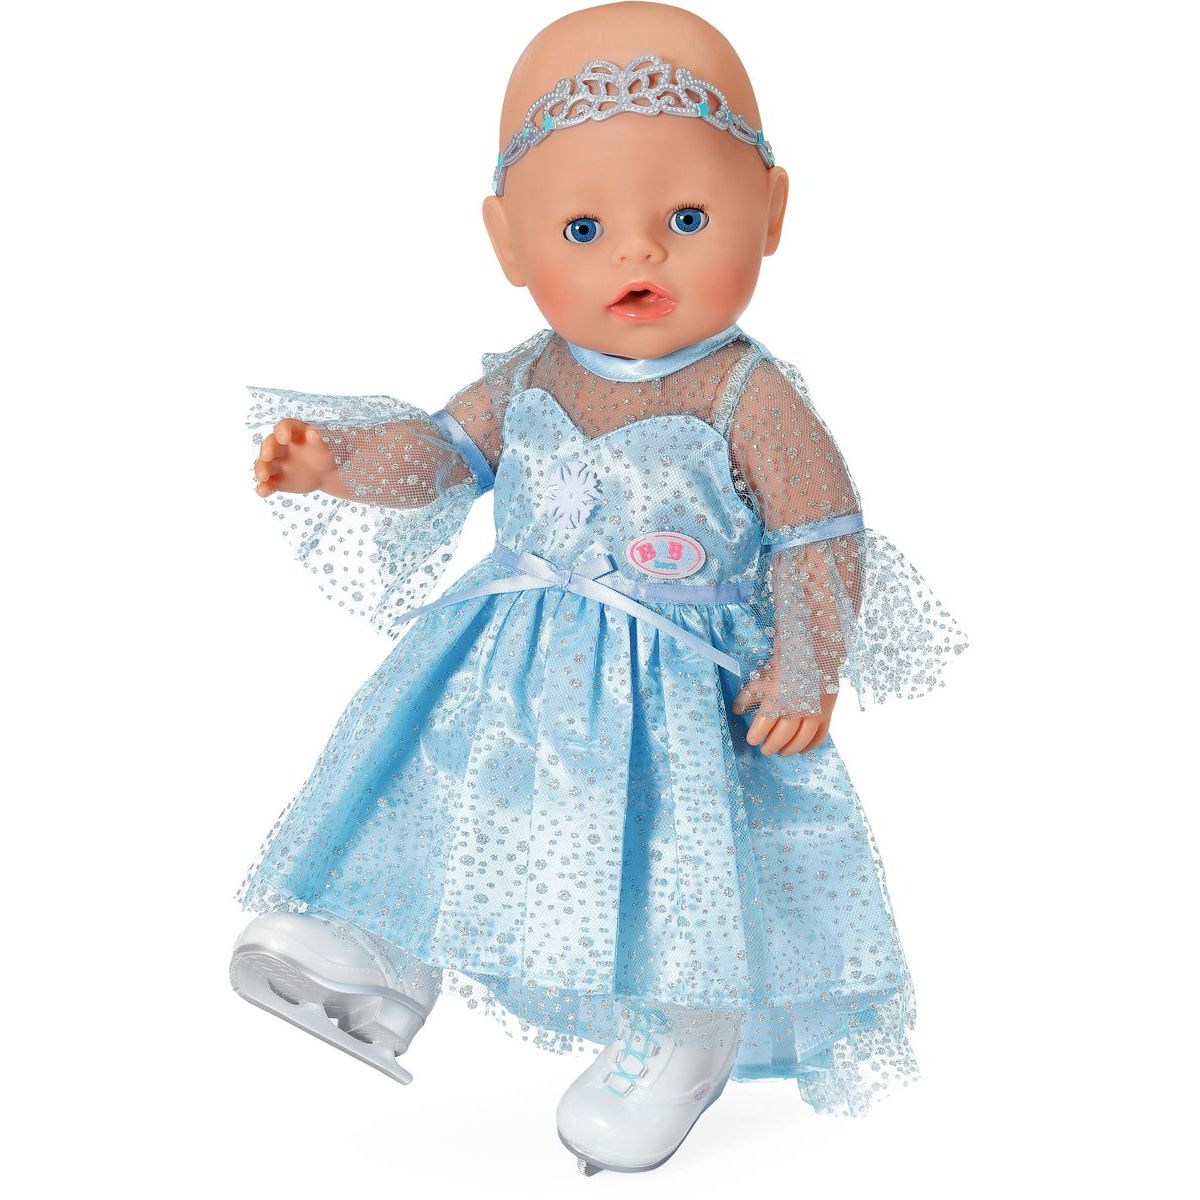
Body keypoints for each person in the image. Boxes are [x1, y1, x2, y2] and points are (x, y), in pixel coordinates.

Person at [230, 2, 967, 1175]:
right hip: (503, 670)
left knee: (670, 858)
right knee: (430, 784)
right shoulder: (531, 371)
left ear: (772, 211)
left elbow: (820, 532)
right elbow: (444, 454)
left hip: (678, 695)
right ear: (508, 243)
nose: (639, 254)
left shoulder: (746, 395)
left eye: (687, 219)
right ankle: (372, 950)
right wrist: (342, 461)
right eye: (583, 227)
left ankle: (678, 1030)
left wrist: (808, 663)